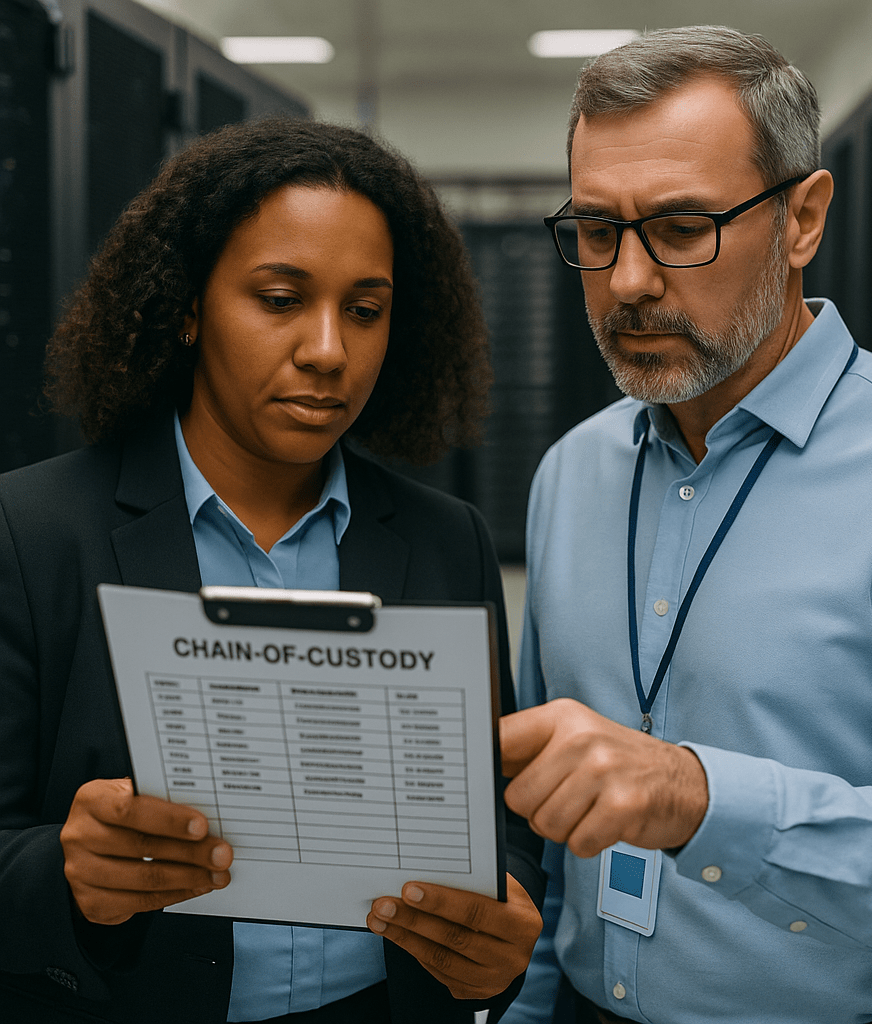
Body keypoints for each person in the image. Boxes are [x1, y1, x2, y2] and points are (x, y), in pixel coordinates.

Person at [498, 25, 872, 1024]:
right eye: (596, 232)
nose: (627, 283)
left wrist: (700, 800)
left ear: (801, 219)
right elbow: (549, 839)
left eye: (683, 227)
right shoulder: (572, 472)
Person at [0, 117, 543, 1024]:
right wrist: (68, 873)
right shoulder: (32, 533)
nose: (328, 350)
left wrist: (497, 928)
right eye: (281, 299)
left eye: (364, 311)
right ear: (186, 306)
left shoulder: (446, 541)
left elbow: (497, 820)